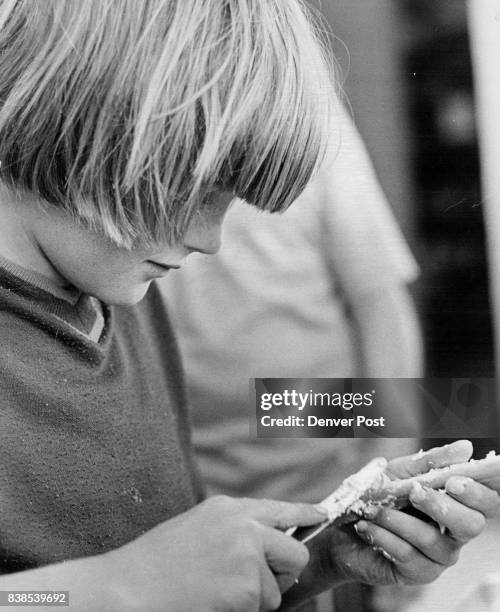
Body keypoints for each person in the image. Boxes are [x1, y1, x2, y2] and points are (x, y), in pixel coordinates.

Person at [0, 2, 497, 611]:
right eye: (197, 190)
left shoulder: (123, 291)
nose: (212, 241)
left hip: (294, 408)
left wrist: (317, 555)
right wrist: (116, 586)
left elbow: (379, 300)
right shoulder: (117, 270)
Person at [164, 97, 423, 506]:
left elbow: (379, 299)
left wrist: (385, 456)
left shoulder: (309, 112)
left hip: (327, 468)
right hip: (186, 484)